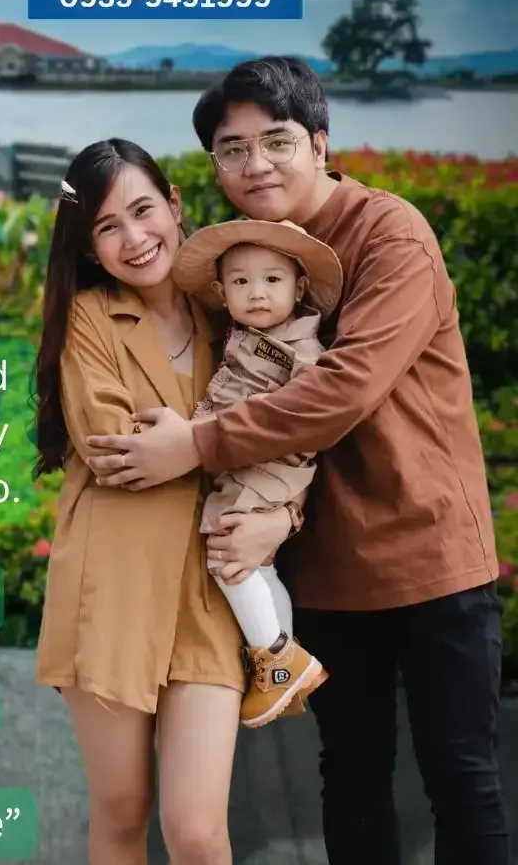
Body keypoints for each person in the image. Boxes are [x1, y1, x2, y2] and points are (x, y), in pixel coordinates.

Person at [83, 57, 508, 865]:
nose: (255, 166)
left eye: (275, 142)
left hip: (431, 559)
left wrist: (196, 444)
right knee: (350, 780)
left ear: (319, 142)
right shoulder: (240, 260)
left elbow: (346, 389)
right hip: (322, 570)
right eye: (231, 151)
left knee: (462, 781)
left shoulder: (390, 233)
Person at [33, 137, 246, 865]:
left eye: (143, 210)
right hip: (111, 582)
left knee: (195, 830)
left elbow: (286, 428)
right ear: (90, 248)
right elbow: (112, 449)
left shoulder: (234, 306)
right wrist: (224, 443)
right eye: (107, 227)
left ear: (175, 205)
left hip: (212, 588)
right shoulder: (89, 317)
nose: (134, 238)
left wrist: (187, 443)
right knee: (122, 812)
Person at [171, 217, 343, 727]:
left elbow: (315, 411)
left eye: (272, 280)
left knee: (228, 555)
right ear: (223, 293)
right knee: (259, 564)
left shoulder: (304, 344)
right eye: (242, 282)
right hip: (248, 467)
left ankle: (274, 657)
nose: (258, 293)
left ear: (299, 287)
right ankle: (282, 665)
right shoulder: (239, 335)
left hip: (268, 468)